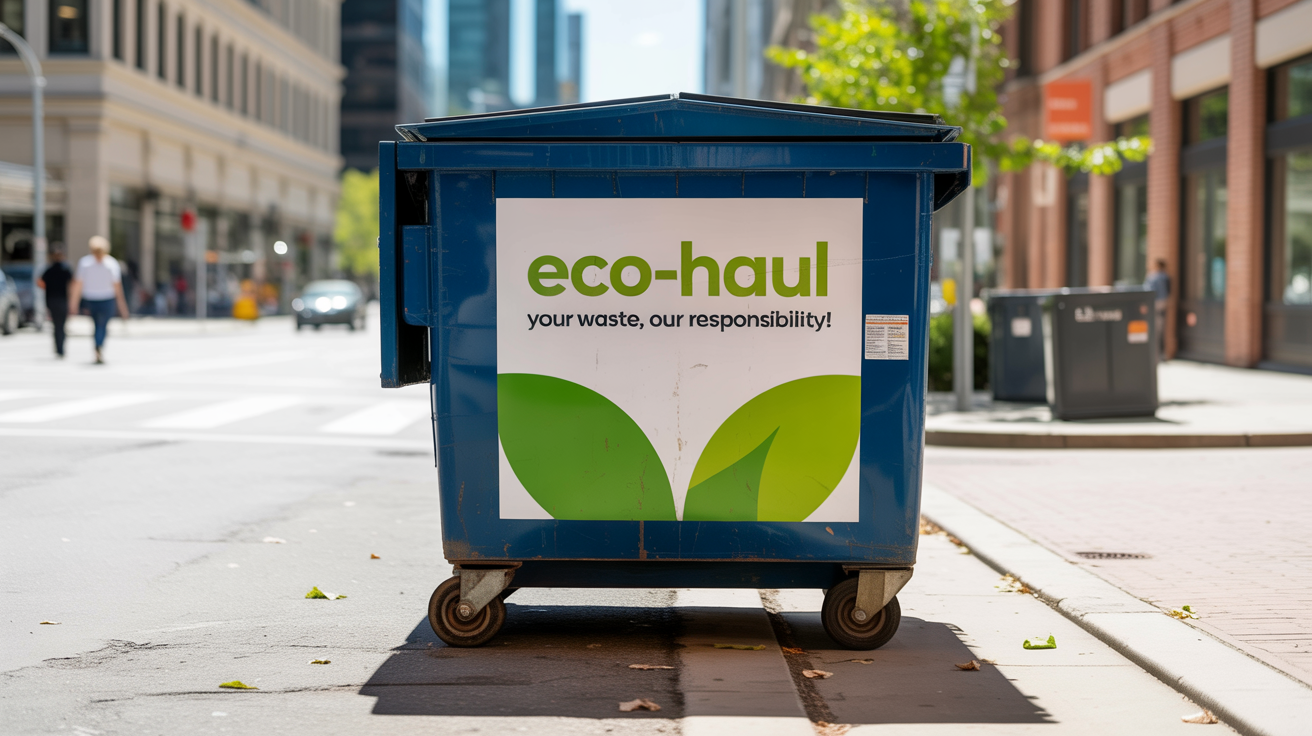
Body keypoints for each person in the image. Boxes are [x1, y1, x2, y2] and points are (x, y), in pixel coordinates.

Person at [68, 236, 130, 364]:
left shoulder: (85, 263)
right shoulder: (111, 263)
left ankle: (97, 345)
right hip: (107, 299)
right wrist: (123, 307)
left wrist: (73, 303)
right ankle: (99, 344)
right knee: (103, 325)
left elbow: (77, 285)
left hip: (91, 299)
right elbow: (117, 287)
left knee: (96, 324)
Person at [36, 245, 73, 358]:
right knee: (60, 325)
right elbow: (72, 284)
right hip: (61, 300)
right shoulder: (65, 269)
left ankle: (59, 348)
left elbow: (40, 283)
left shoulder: (49, 269)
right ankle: (60, 349)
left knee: (57, 325)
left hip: (52, 300)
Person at [1145, 258, 1171, 360]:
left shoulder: (1152, 277)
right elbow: (1169, 292)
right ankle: (1161, 354)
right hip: (1163, 304)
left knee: (1154, 330)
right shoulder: (1166, 277)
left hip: (1154, 305)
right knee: (1161, 330)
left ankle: (1155, 354)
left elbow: (1147, 291)